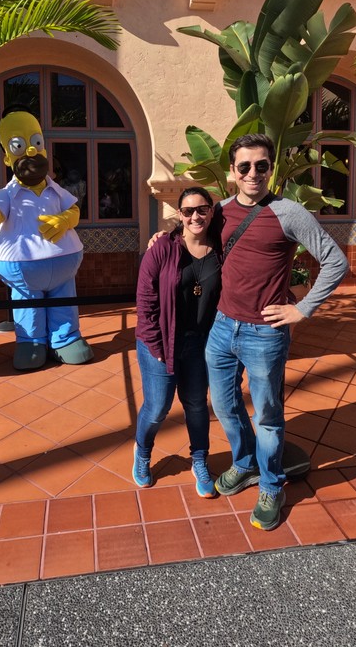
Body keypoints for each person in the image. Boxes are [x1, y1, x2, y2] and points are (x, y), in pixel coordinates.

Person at [207, 133, 348, 530]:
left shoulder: (289, 213)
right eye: (245, 166)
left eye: (262, 166)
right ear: (232, 172)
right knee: (225, 405)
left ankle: (272, 484)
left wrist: (302, 309)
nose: (254, 173)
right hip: (222, 326)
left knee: (268, 416)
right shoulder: (219, 211)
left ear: (271, 169)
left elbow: (334, 261)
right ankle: (245, 464)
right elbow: (190, 241)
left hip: (264, 334)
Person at [0, 106, 94, 371]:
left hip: (64, 262)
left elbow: (75, 209)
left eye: (36, 143)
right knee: (27, 301)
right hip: (23, 266)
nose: (31, 151)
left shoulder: (55, 189)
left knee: (64, 300)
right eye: (19, 145)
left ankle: (65, 340)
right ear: (8, 157)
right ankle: (31, 342)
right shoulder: (8, 194)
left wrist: (65, 220)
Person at [133, 187, 222, 497]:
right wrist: (156, 347)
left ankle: (200, 460)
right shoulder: (163, 249)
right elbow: (145, 302)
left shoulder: (222, 248)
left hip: (200, 345)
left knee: (197, 405)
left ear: (211, 211)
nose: (195, 216)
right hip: (160, 343)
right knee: (157, 407)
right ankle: (143, 453)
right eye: (188, 211)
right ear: (180, 215)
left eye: (202, 209)